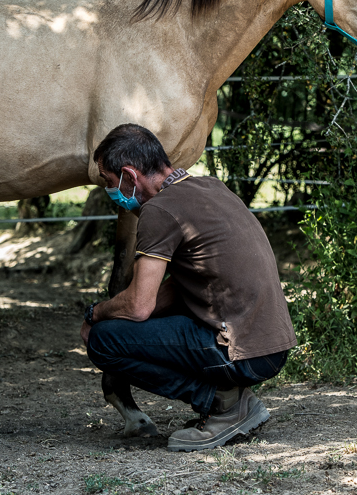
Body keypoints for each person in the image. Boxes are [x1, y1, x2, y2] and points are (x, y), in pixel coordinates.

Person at [81, 123, 297, 450]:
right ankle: (231, 400)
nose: (111, 192)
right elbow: (178, 289)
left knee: (103, 341)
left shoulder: (159, 210)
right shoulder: (211, 188)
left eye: (109, 182)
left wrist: (95, 314)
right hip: (271, 346)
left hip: (241, 352)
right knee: (131, 326)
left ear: (129, 175)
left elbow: (139, 306)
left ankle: (223, 405)